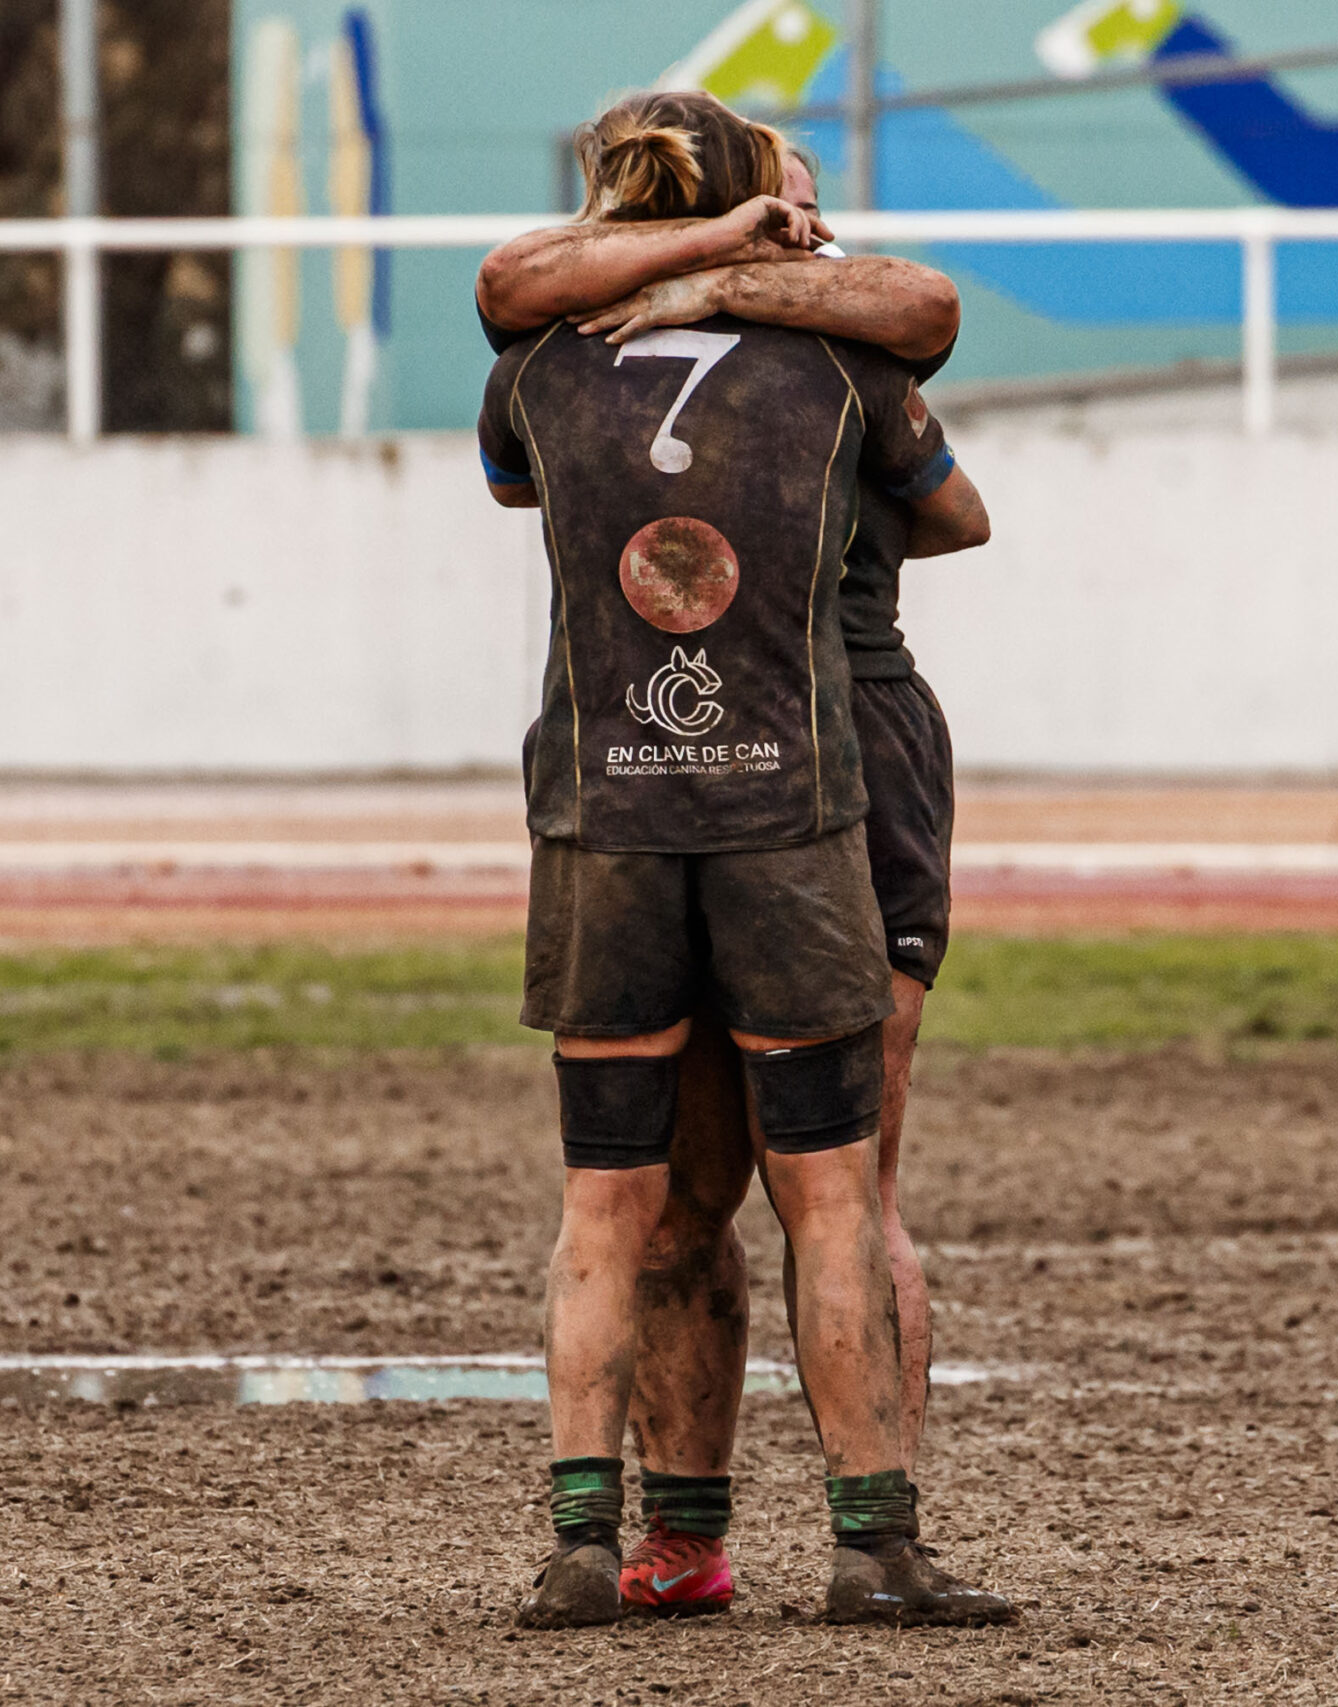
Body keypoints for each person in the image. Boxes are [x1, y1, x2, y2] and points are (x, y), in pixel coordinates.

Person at [477, 89, 1005, 1630]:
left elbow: (515, 357)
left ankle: (612, 1541)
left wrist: (704, 275)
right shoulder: (846, 366)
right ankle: (850, 1542)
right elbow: (955, 492)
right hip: (800, 787)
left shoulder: (540, 368)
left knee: (645, 1199)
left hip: (627, 797)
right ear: (741, 198)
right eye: (786, 193)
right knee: (815, 1192)